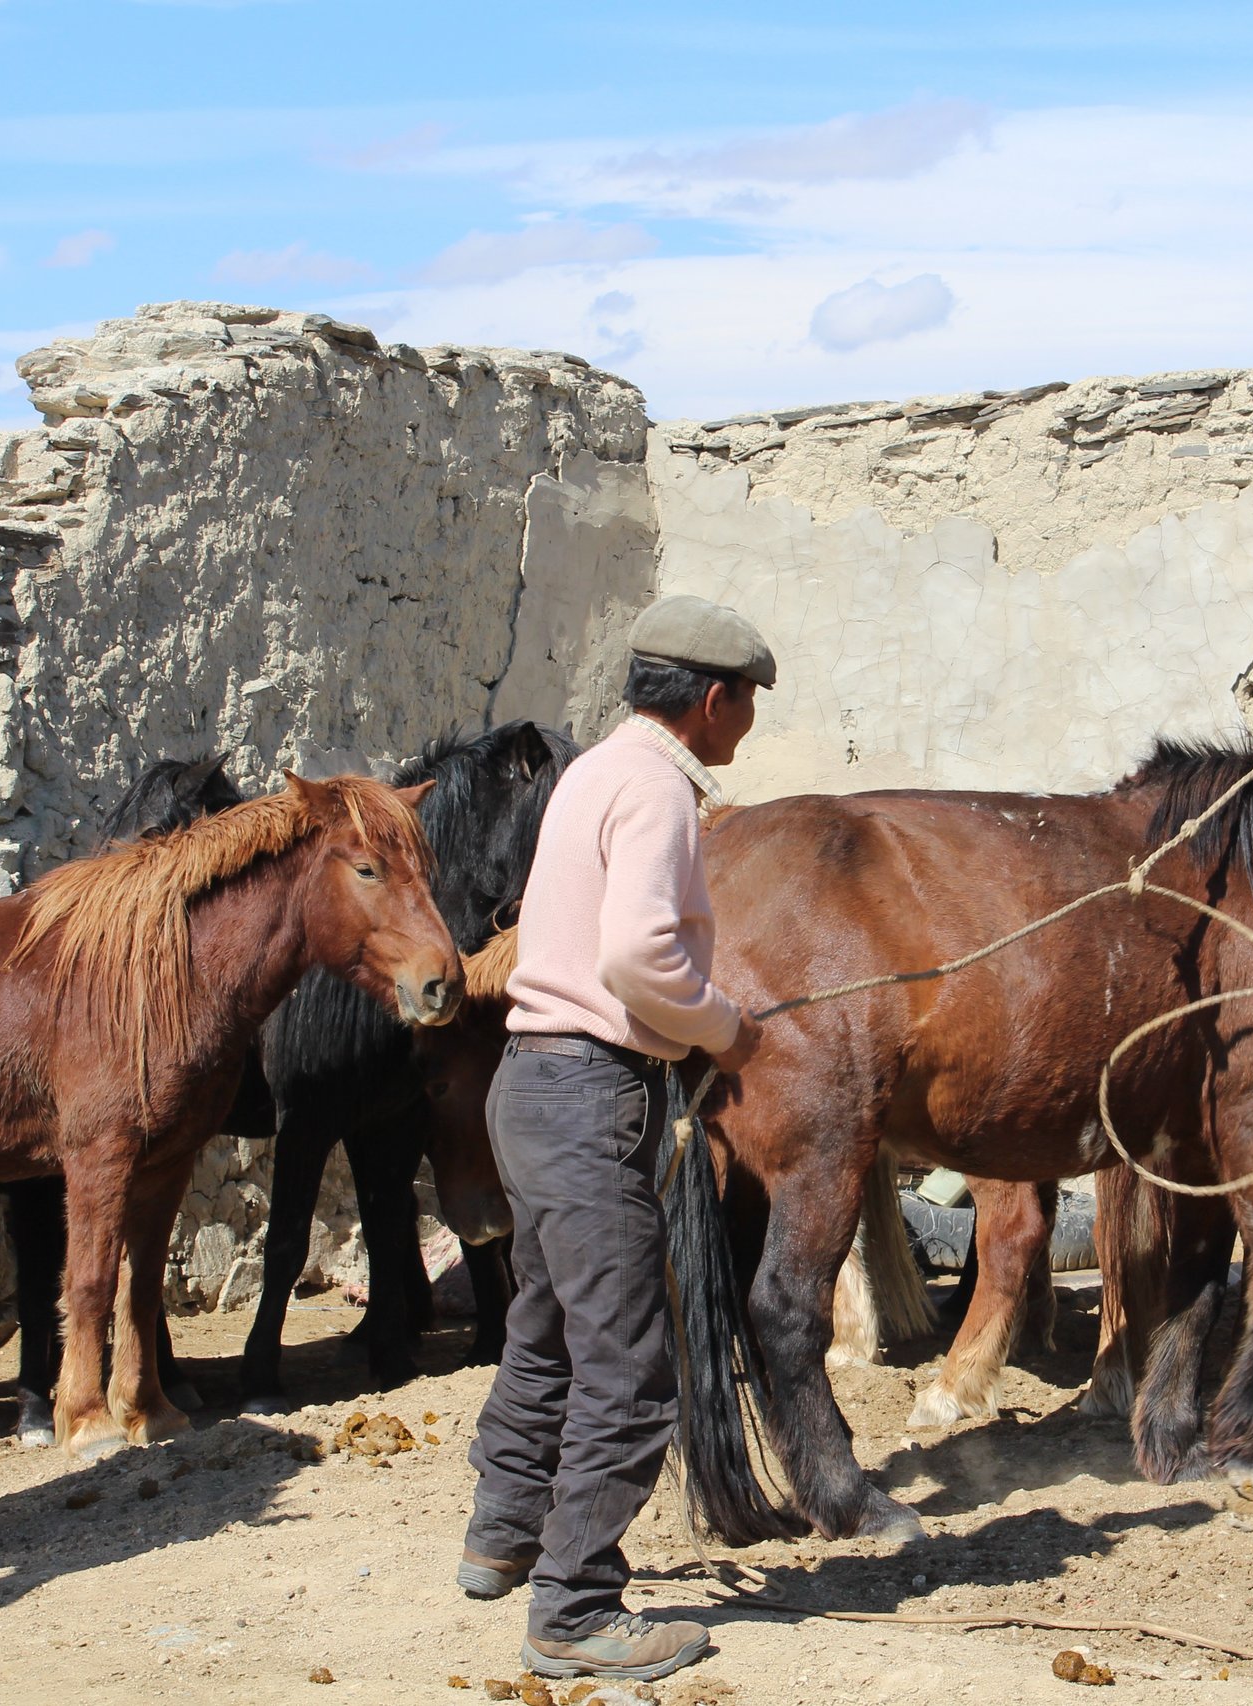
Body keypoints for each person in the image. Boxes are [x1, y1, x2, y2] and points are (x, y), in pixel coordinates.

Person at [459, 594, 774, 1682]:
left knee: (543, 1321)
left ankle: (501, 1531)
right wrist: (725, 1027)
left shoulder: (594, 769)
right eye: (747, 703)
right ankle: (576, 1607)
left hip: (529, 1082)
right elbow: (640, 958)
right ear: (713, 697)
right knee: (633, 1357)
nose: (748, 725)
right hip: (593, 1090)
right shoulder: (657, 789)